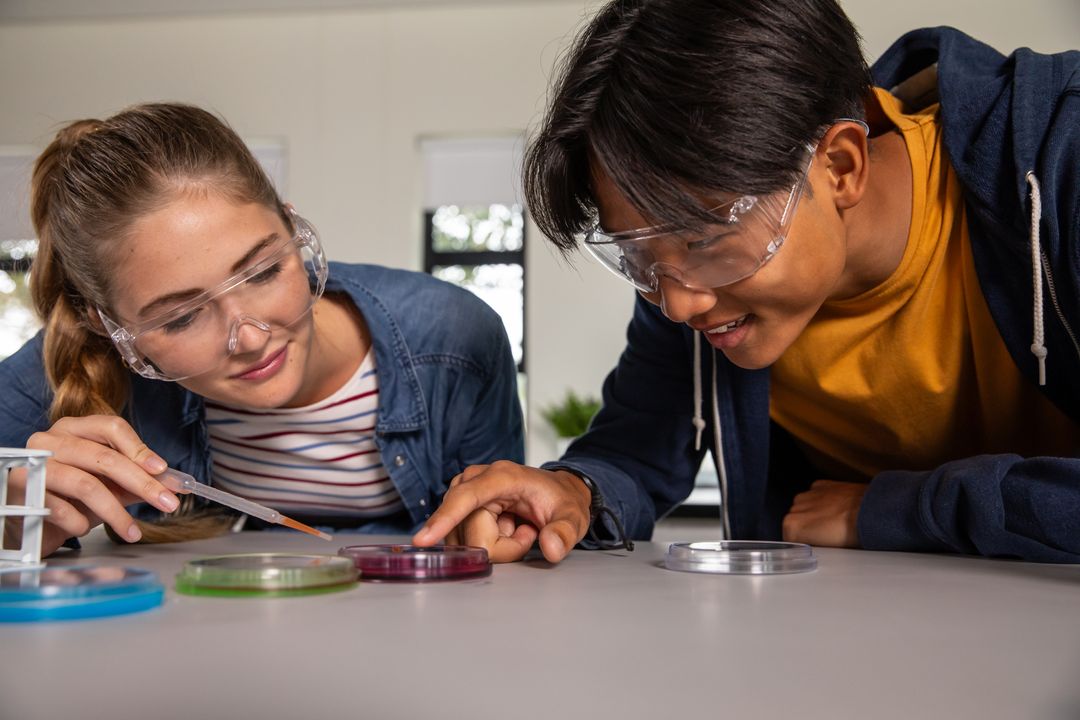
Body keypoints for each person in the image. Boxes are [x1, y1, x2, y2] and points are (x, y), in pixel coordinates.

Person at [413, 0, 1080, 563]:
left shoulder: (1060, 163)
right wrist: (572, 493)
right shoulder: (694, 287)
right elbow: (637, 450)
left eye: (705, 240)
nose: (676, 304)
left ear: (841, 167)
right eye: (639, 257)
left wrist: (902, 510)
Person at [0, 102, 523, 557]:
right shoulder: (80, 357)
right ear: (107, 326)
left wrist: (501, 526)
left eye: (263, 271)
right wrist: (10, 528)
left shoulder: (454, 337)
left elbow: (501, 544)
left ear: (292, 230)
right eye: (181, 317)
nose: (249, 338)